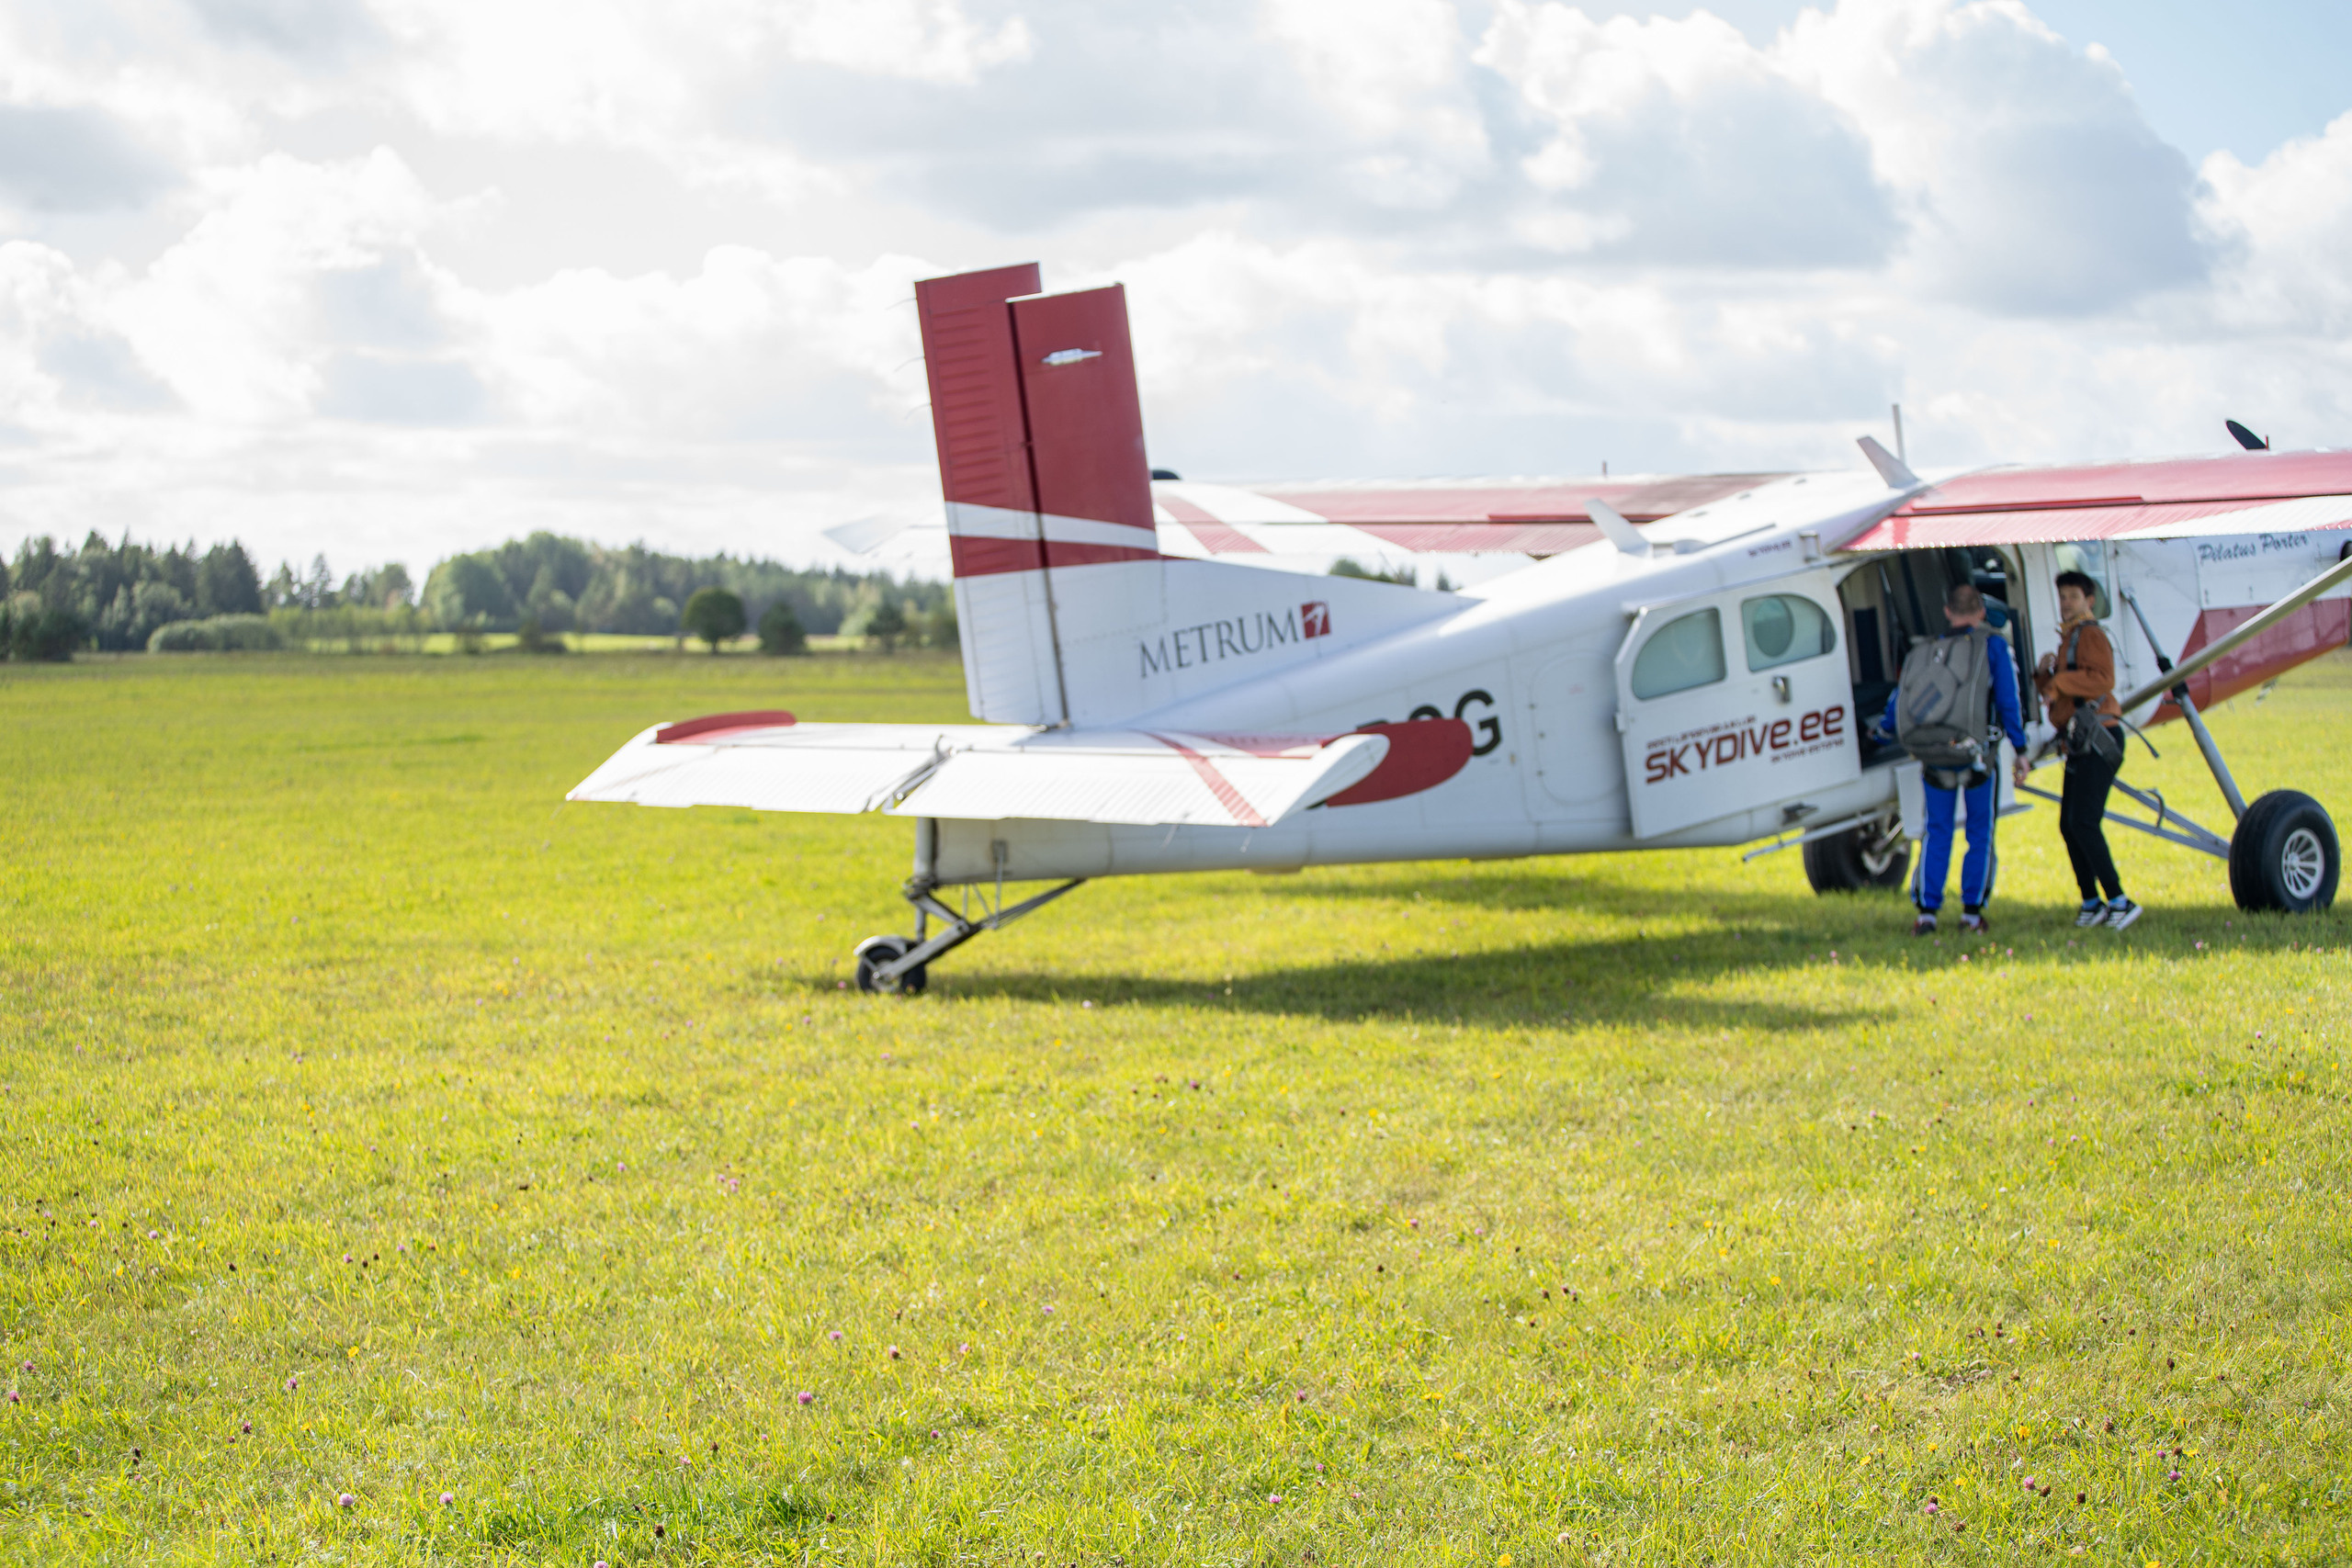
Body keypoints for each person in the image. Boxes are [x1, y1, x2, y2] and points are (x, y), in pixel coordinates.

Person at [1880, 581, 2027, 936]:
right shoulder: (1992, 646)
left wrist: (1883, 731)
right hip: (1978, 756)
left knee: (1937, 830)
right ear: (1980, 612)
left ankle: (1927, 913)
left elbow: (1898, 702)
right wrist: (2019, 749)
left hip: (1934, 757)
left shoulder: (1929, 649)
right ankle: (1972, 914)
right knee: (1980, 832)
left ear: (1947, 612)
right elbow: (2008, 700)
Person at [2029, 569, 2139, 929]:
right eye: (2061, 597)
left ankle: (2120, 900)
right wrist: (2044, 675)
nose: (2065, 604)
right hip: (2079, 740)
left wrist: (2057, 680)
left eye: (2073, 597)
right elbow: (2067, 690)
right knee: (2068, 823)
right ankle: (2091, 902)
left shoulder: (2090, 634)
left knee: (2084, 821)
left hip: (2100, 736)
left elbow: (2102, 680)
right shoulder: (2069, 638)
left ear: (2089, 601)